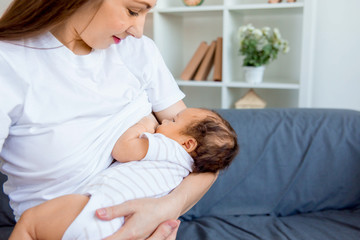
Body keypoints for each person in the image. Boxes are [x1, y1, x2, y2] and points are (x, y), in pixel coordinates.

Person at [0, 0, 219, 239]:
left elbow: (206, 152)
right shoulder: (9, 62)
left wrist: (166, 208)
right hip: (61, 228)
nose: (138, 31)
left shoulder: (139, 51)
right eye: (133, 11)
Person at [9, 108, 239, 239]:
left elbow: (122, 149)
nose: (165, 120)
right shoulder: (186, 169)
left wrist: (143, 124)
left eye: (173, 121)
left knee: (30, 223)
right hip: (126, 228)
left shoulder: (166, 147)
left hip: (98, 210)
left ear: (187, 144)